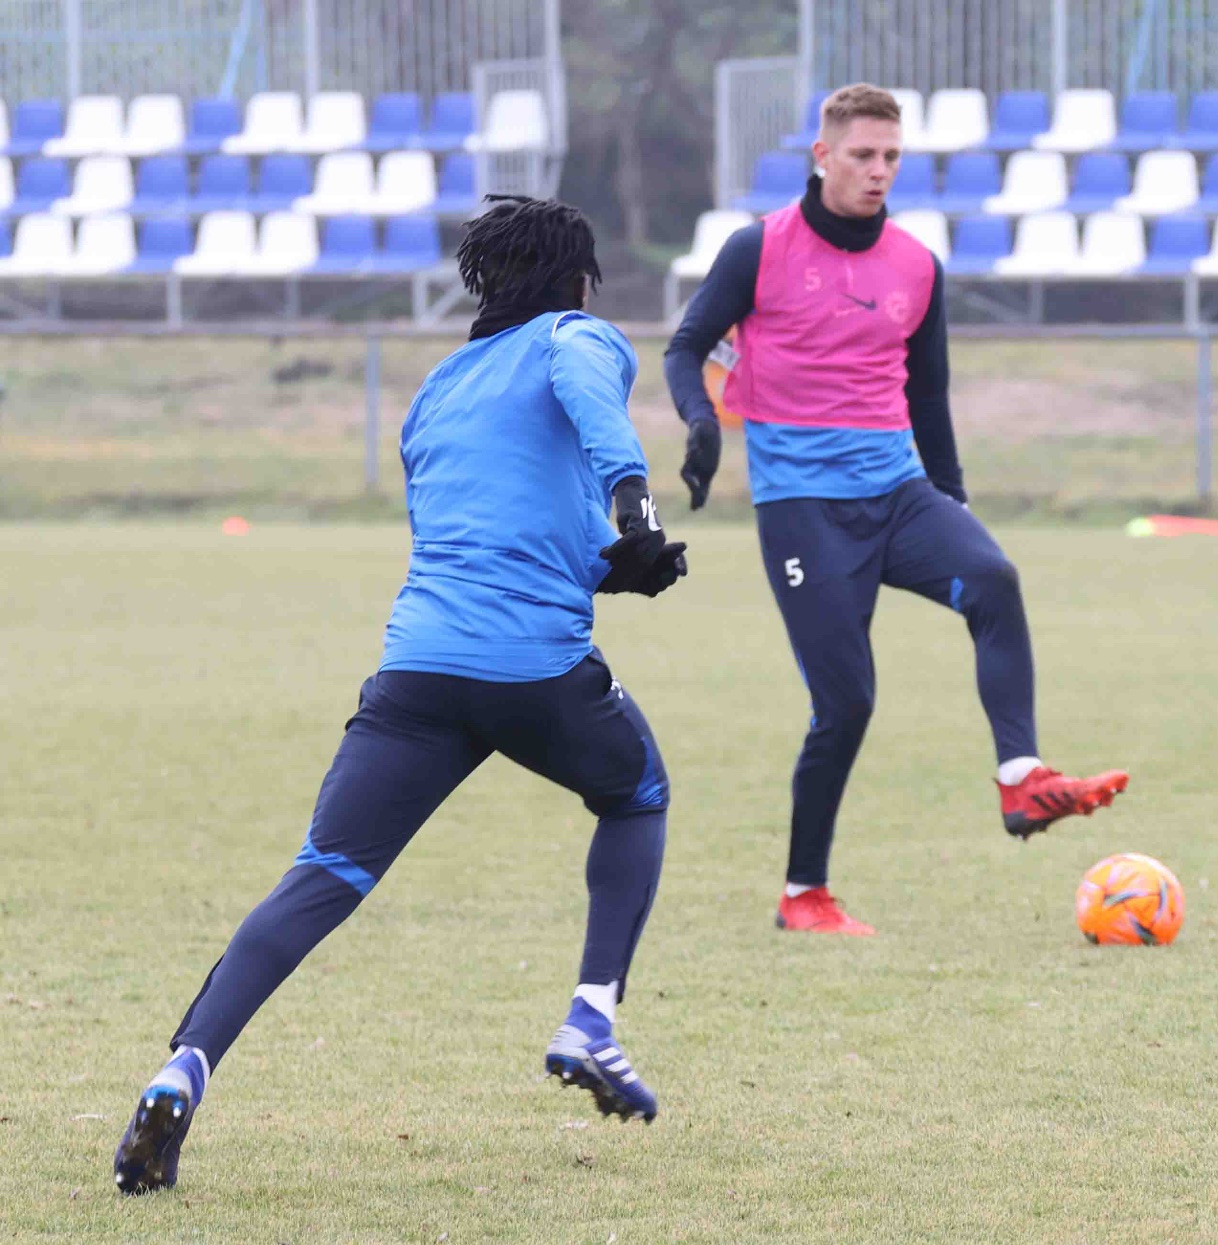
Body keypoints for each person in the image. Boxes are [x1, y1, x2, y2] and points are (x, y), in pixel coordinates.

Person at [114, 195, 688, 1195]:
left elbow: (486, 533)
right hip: (534, 670)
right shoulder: (576, 336)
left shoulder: (436, 390)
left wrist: (610, 566)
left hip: (418, 668)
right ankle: (591, 1017)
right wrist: (633, 512)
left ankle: (182, 1068)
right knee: (635, 793)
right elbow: (590, 400)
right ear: (576, 282)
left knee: (323, 873)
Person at [663, 84, 1127, 936]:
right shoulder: (758, 248)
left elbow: (929, 393)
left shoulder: (917, 265)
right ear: (823, 156)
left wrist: (953, 499)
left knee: (992, 576)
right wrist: (699, 422)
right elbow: (686, 346)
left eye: (890, 157)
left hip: (900, 490)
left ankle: (1021, 779)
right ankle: (804, 893)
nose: (878, 171)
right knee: (847, 704)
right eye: (862, 155)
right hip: (802, 506)